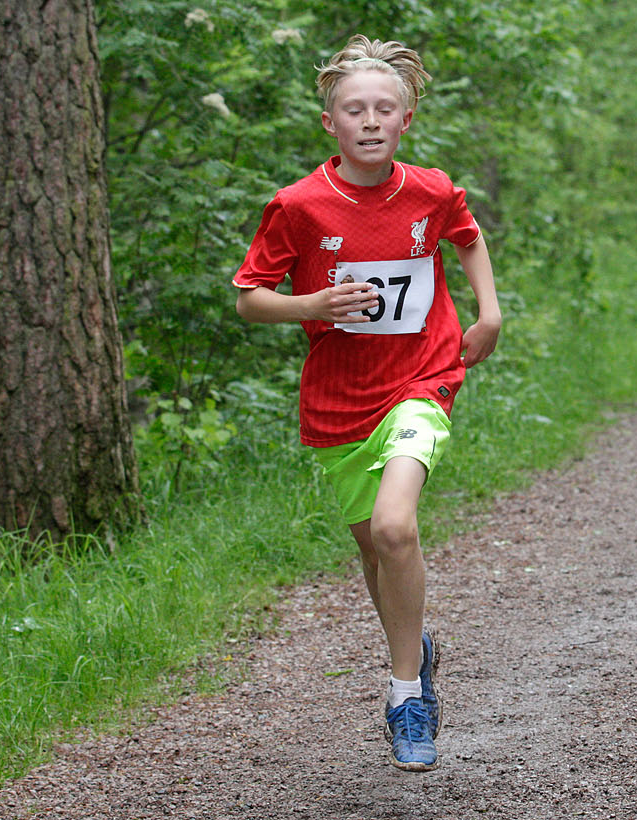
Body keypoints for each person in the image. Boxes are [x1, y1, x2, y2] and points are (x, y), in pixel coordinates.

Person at [232, 34, 502, 771]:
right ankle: (416, 650)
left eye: (386, 108)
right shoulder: (297, 206)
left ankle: (405, 695)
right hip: (340, 401)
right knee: (372, 548)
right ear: (331, 123)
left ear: (406, 119)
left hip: (422, 378)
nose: (371, 120)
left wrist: (489, 313)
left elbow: (468, 238)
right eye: (355, 109)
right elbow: (250, 299)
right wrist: (311, 303)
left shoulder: (431, 190)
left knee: (393, 529)